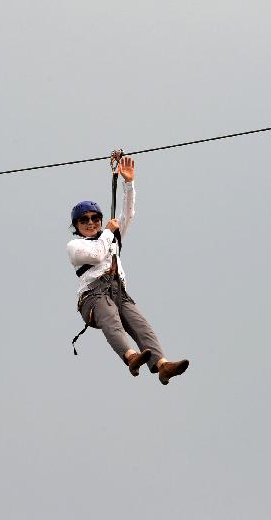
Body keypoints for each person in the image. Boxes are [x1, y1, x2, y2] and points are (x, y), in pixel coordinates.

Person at [66, 156, 189, 385]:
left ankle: (162, 364)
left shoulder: (110, 236)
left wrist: (128, 184)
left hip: (119, 292)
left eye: (95, 218)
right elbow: (97, 255)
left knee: (141, 324)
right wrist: (108, 232)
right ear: (77, 226)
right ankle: (130, 356)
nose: (91, 222)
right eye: (84, 220)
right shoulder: (76, 246)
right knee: (110, 317)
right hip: (93, 296)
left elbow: (128, 214)